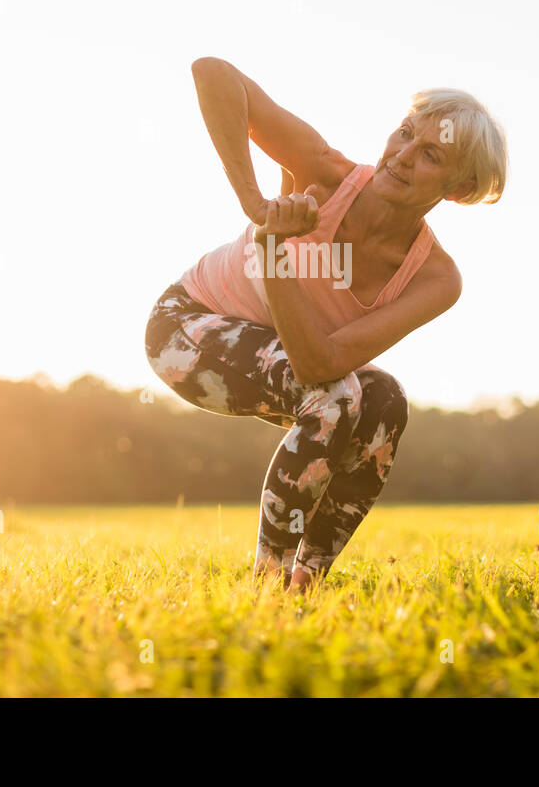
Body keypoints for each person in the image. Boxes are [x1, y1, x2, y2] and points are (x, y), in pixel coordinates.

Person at [144, 56, 507, 593]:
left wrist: (274, 254)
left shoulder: (436, 278)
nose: (402, 156)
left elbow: (321, 362)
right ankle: (268, 587)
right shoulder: (323, 171)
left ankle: (305, 585)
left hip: (283, 354)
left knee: (385, 401)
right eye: (405, 134)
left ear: (458, 187)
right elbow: (212, 73)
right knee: (336, 399)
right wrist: (256, 210)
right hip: (184, 327)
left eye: (431, 154)